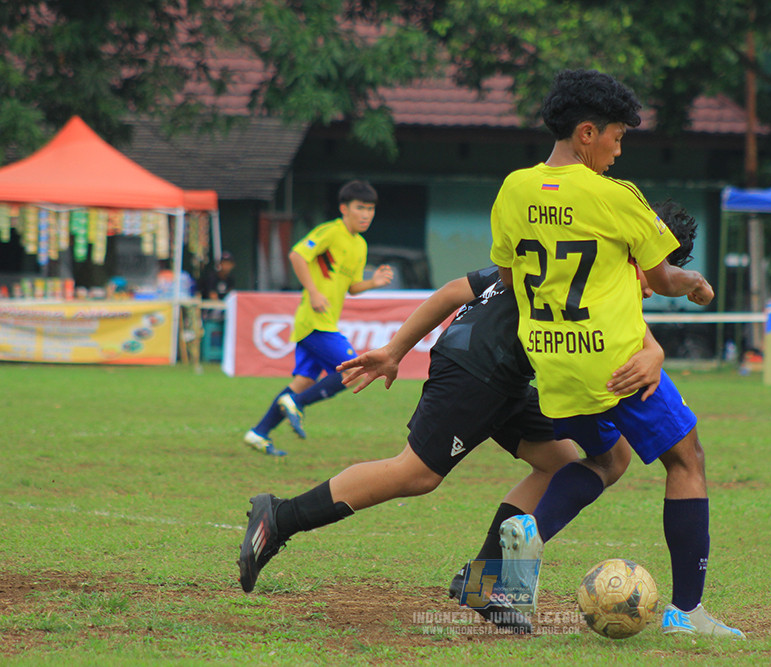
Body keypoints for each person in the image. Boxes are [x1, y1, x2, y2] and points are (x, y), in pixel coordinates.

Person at [236, 262, 667, 632]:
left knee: (560, 466)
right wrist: (392, 351)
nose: (649, 288)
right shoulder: (591, 276)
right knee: (416, 473)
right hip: (478, 369)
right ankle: (279, 517)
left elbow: (452, 292)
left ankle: (481, 582)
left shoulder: (549, 253)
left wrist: (396, 350)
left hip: (501, 374)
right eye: (649, 275)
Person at [489, 69, 744, 638]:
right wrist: (695, 283)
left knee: (609, 461)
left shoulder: (513, 188)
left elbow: (509, 277)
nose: (617, 150)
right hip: (620, 365)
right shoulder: (615, 196)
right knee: (688, 460)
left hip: (553, 366)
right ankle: (688, 611)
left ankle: (532, 529)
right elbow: (663, 275)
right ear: (586, 133)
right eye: (616, 137)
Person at [243, 180, 393, 457]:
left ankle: (258, 432)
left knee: (303, 380)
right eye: (360, 208)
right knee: (353, 372)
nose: (366, 214)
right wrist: (312, 292)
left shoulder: (359, 244)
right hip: (314, 321)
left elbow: (352, 287)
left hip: (324, 322)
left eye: (370, 209)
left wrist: (374, 282)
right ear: (344, 208)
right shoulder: (331, 231)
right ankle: (296, 403)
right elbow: (297, 255)